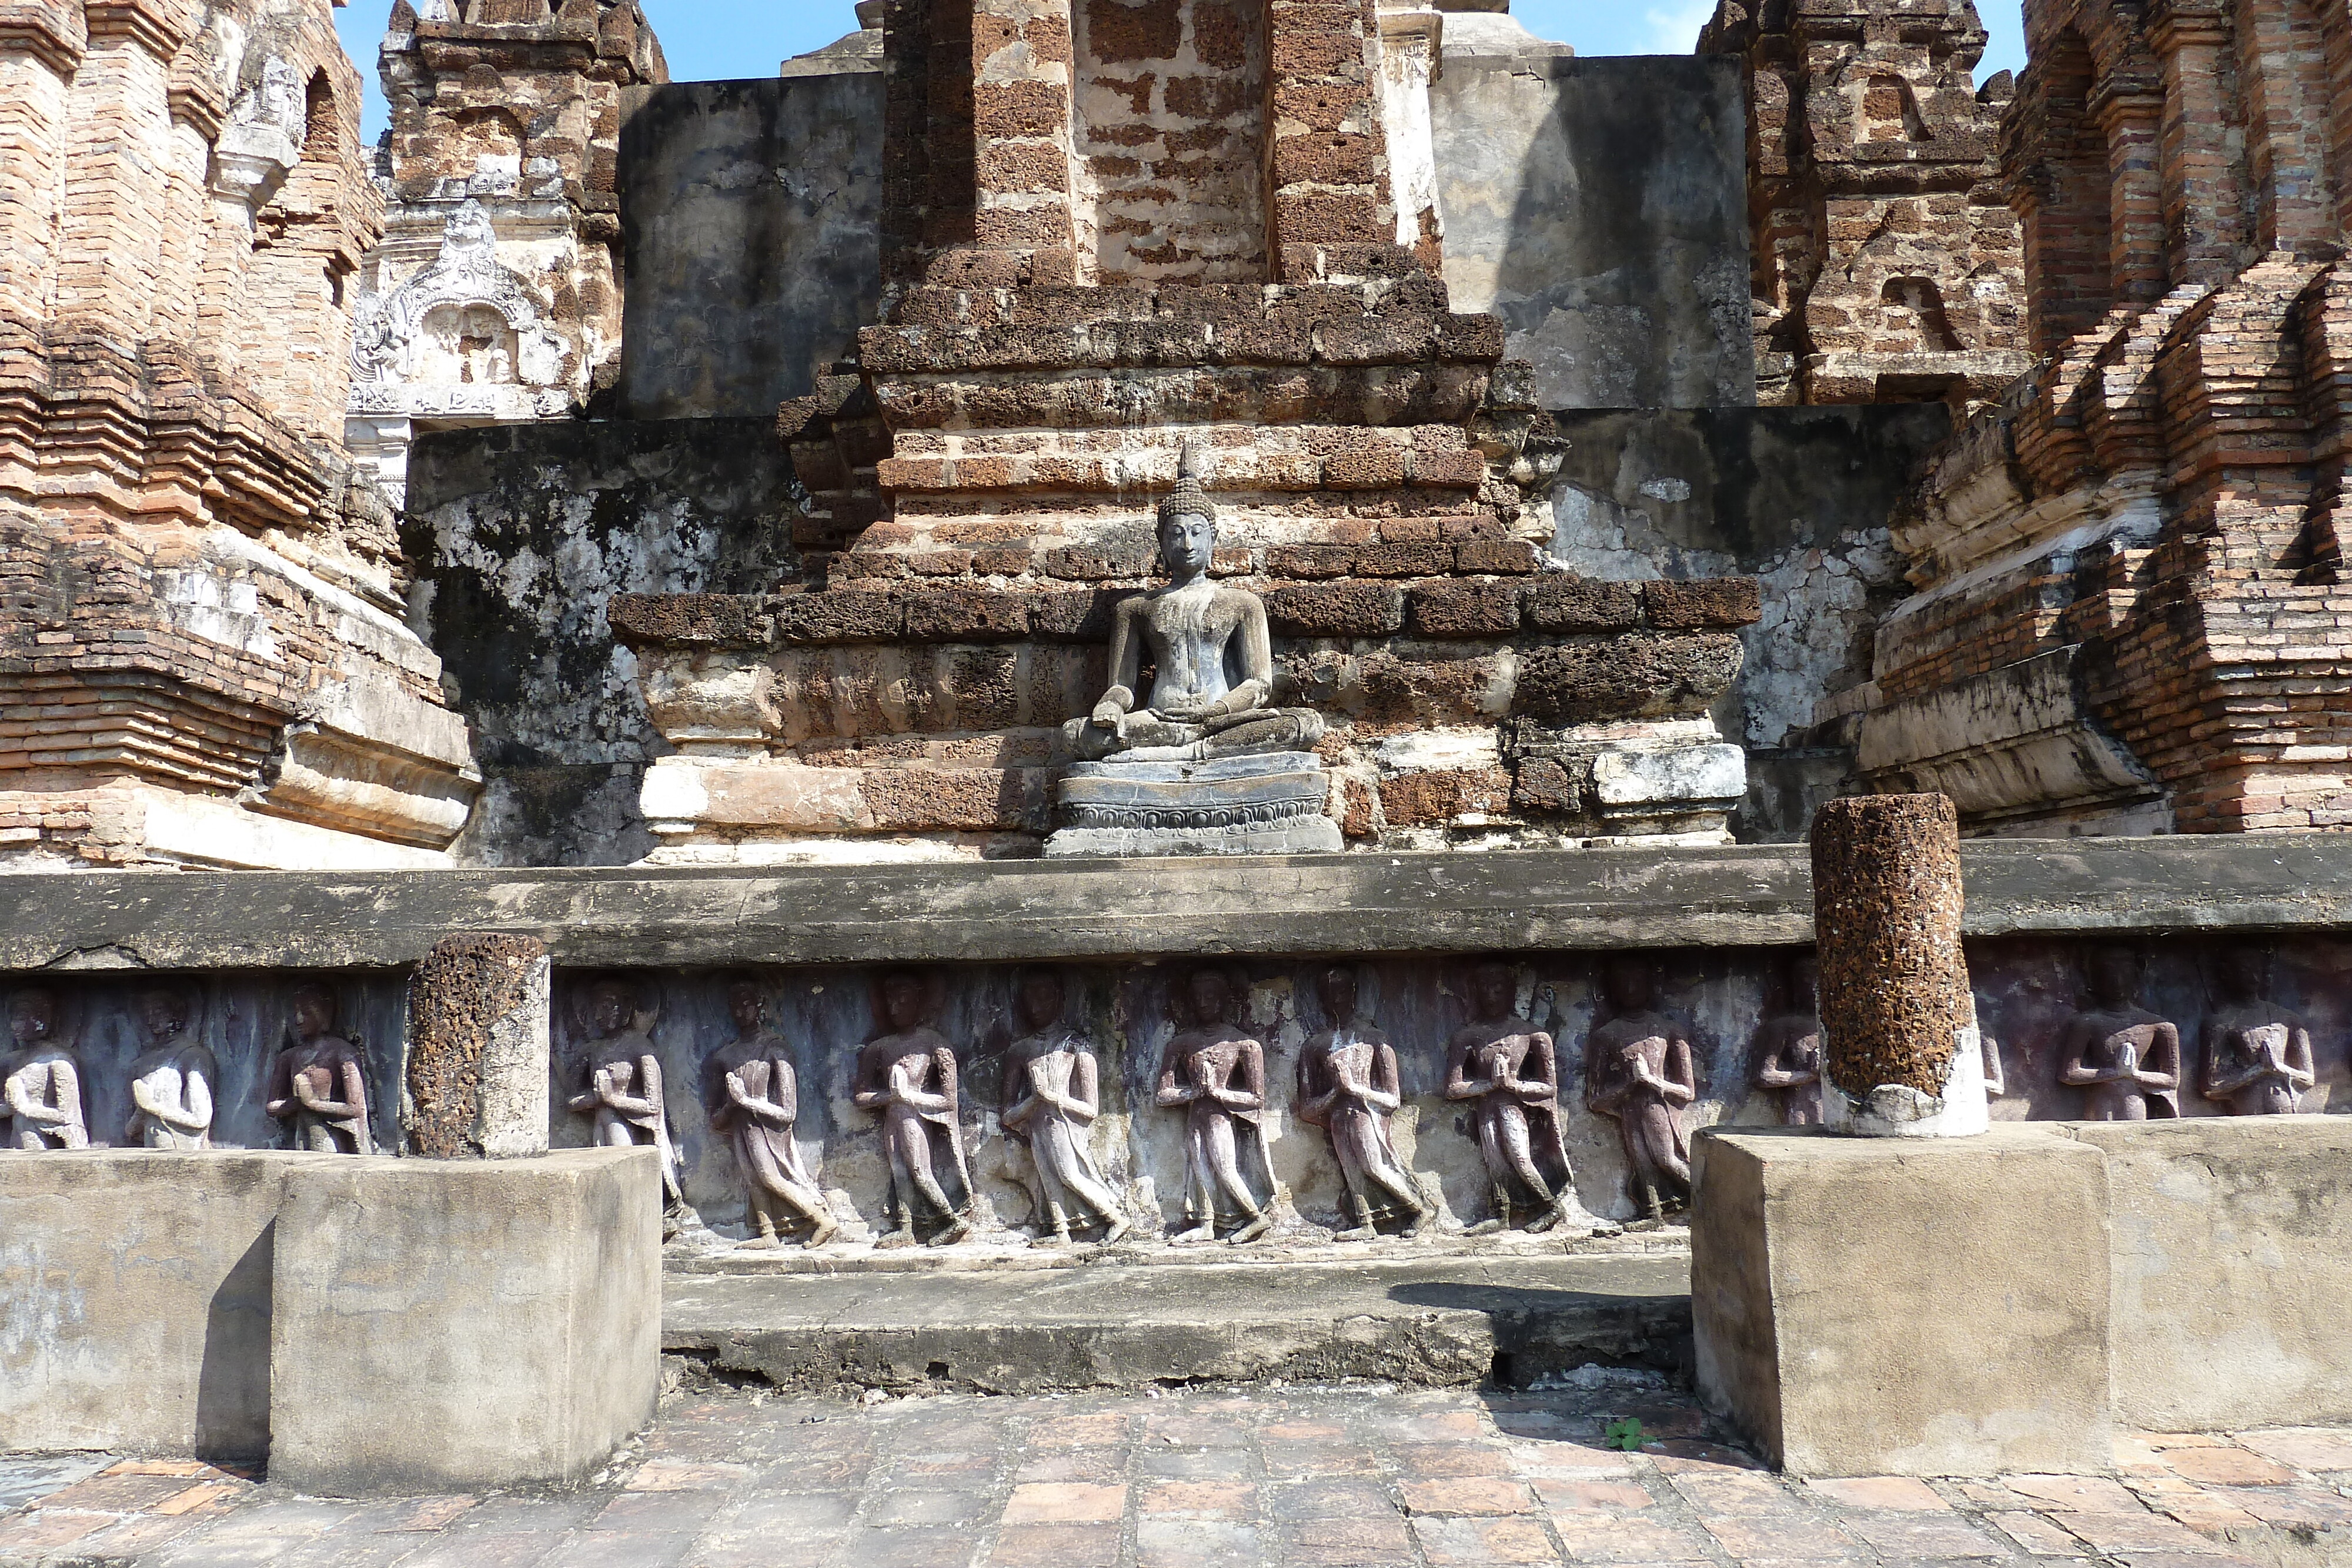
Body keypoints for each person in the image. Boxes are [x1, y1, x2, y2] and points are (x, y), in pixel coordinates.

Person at [1066, 444, 1324, 764]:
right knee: (1076, 735)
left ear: (1212, 539)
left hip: (1221, 720)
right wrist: (1112, 705)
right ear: (1161, 541)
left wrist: (1216, 711)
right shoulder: (1135, 609)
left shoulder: (1243, 604)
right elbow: (1123, 685)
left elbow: (1259, 684)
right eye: (1176, 534)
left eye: (1196, 533)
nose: (1187, 544)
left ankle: (1184, 753)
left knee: (1306, 725)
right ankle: (1192, 750)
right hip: (1160, 719)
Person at [1443, 961, 1591, 1234]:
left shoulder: (1532, 1035)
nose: (1492, 995)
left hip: (1513, 1108)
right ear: (1476, 993)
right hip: (1487, 1107)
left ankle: (1550, 1206)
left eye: (1499, 988)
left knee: (1519, 1157)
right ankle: (1502, 1213)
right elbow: (1453, 1088)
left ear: (1512, 992)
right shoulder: (1468, 1035)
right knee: (1495, 1160)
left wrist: (1513, 1085)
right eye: (1485, 988)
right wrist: (1489, 1085)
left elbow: (1548, 1088)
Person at [1297, 965, 1429, 1239]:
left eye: (1341, 991)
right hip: (1338, 1116)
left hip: (1363, 1114)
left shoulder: (1374, 1039)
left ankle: (1418, 1208)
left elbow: (1392, 1099)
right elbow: (1307, 1109)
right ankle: (1365, 1222)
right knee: (1352, 1170)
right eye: (1328, 993)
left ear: (1354, 993)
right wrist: (1336, 1092)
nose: (1335, 999)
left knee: (1373, 1166)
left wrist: (1356, 1090)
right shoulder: (1315, 1046)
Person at [1000, 969, 1129, 1246]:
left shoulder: (1077, 1046)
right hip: (1037, 1125)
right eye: (1029, 999)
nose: (1035, 1007)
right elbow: (1008, 1115)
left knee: (1070, 1174)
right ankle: (1061, 1232)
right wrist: (1034, 1101)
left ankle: (1115, 1218)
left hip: (1064, 1126)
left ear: (1059, 1000)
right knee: (1048, 1177)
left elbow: (1091, 1109)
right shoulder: (1020, 1051)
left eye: (1043, 998)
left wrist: (1053, 1098)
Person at [706, 979, 837, 1248]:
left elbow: (788, 1112)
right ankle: (768, 1233)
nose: (741, 1012)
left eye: (747, 1004)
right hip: (742, 1126)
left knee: (770, 1177)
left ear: (760, 1006)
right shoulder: (725, 1056)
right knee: (752, 1177)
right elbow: (716, 1121)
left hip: (769, 1128)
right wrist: (733, 1105)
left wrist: (747, 1102)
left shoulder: (776, 1048)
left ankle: (821, 1219)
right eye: (735, 1006)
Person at [852, 971, 973, 1248]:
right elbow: (860, 1096)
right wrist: (889, 1097)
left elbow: (948, 1101)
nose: (895, 1008)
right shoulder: (879, 1048)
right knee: (899, 1171)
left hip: (914, 1119)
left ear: (919, 1002)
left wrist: (911, 1097)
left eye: (903, 1000)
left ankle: (952, 1220)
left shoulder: (934, 1044)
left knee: (919, 1170)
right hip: (893, 1117)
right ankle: (905, 1228)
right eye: (890, 1001)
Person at [1156, 968, 1275, 1245]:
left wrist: (1219, 1093)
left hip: (1221, 1118)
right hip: (1196, 1116)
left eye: (1210, 996)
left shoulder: (1243, 1044)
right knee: (1200, 1170)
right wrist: (1194, 1092)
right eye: (1197, 997)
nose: (1203, 1003)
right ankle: (1207, 1224)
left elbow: (1257, 1099)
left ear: (1223, 1001)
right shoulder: (1181, 1044)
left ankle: (1256, 1217)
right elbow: (1163, 1095)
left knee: (1225, 1169)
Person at [1584, 958, 1698, 1220]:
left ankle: (1709, 1201)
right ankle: (1652, 1214)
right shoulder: (1606, 1035)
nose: (1630, 989)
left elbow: (1687, 1091)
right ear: (1612, 990)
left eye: (1637, 982)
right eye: (1622, 984)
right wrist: (1630, 1083)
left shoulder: (1669, 1031)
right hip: (1630, 1109)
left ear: (1651, 986)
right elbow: (1596, 1100)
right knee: (1642, 1164)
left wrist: (1652, 1081)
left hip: (1657, 1107)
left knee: (1666, 1159)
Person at [2059, 947, 2181, 1121]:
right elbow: (2068, 1073)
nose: (2117, 981)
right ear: (2092, 978)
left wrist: (2134, 1075)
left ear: (2137, 975)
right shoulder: (2087, 1023)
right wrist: (2116, 1073)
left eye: (2126, 972)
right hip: (2101, 1101)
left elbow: (2171, 1080)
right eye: (2107, 973)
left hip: (2134, 1101)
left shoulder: (2159, 1026)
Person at [265, 984, 372, 1154]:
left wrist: (313, 1104)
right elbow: (271, 1107)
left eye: (306, 1013)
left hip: (330, 1137)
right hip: (300, 1135)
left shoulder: (342, 1052)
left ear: (325, 1014)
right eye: (296, 1013)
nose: (299, 1020)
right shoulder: (288, 1057)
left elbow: (356, 1108)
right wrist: (297, 1103)